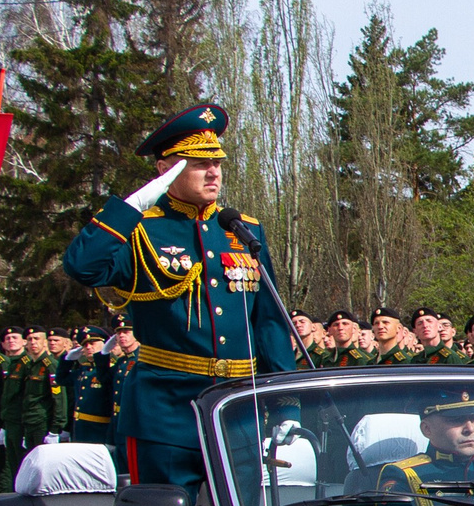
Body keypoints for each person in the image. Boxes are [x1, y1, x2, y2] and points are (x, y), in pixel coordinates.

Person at [61, 103, 297, 486]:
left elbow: (268, 320)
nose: (214, 172)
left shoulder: (241, 229)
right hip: (166, 413)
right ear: (164, 170)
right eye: (198, 163)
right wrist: (133, 205)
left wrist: (287, 403)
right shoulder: (141, 229)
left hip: (238, 410)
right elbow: (81, 266)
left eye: (217, 162)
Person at [376, 392, 474, 495]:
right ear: (427, 429)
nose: (470, 429)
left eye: (473, 419)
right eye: (456, 420)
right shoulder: (406, 475)